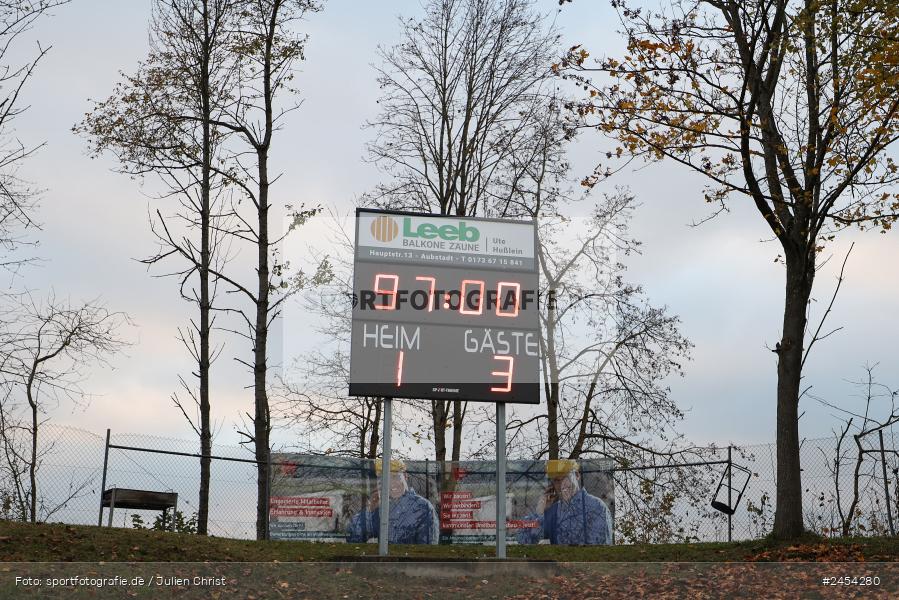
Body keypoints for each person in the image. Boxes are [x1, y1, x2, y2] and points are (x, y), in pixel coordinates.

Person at [516, 459, 613, 545]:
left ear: (577, 475)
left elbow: (601, 549)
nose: (562, 484)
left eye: (566, 477)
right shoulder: (553, 511)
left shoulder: (596, 507)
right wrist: (540, 512)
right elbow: (523, 540)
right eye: (557, 480)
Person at [347, 459, 439, 544]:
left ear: (405, 476)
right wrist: (370, 510)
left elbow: (428, 549)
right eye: (385, 479)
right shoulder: (381, 506)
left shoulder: (423, 507)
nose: (390, 483)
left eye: (395, 477)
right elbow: (353, 539)